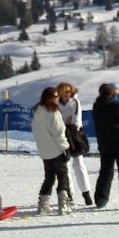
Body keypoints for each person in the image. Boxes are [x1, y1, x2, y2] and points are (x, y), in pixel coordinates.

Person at [92, 83, 119, 210]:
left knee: (105, 172)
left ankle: (101, 199)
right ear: (113, 94)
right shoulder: (118, 105)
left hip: (105, 143)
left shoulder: (96, 107)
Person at [31, 86, 72, 215]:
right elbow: (59, 132)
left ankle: (43, 204)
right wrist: (65, 148)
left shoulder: (38, 112)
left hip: (44, 151)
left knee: (49, 177)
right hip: (56, 150)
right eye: (56, 96)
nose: (58, 98)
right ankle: (63, 204)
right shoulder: (53, 113)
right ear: (49, 98)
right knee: (62, 176)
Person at [58, 82, 93, 205]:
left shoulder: (75, 102)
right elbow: (56, 121)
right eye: (64, 92)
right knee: (65, 167)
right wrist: (64, 122)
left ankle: (86, 193)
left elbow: (76, 121)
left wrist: (66, 122)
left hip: (75, 137)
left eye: (69, 91)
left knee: (79, 164)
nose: (67, 94)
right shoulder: (57, 104)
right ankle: (69, 195)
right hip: (61, 137)